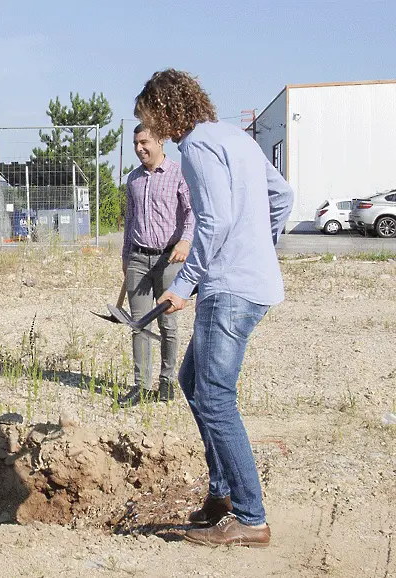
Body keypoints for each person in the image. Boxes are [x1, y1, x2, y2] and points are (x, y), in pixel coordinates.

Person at [134, 69, 294, 548]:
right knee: (191, 382)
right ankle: (221, 496)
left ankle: (250, 517)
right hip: (253, 283)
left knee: (216, 396)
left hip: (230, 289)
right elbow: (282, 196)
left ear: (166, 109)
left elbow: (215, 221)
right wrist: (261, 245)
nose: (149, 127)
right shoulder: (235, 138)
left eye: (148, 116)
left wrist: (184, 284)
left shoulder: (199, 146)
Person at [120, 123, 193, 404]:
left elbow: (191, 214)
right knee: (137, 323)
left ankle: (166, 381)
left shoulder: (178, 174)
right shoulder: (133, 179)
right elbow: (130, 221)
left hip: (168, 259)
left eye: (144, 142)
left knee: (167, 324)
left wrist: (185, 241)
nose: (139, 148)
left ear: (161, 141)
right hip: (138, 257)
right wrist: (126, 257)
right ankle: (139, 385)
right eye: (136, 143)